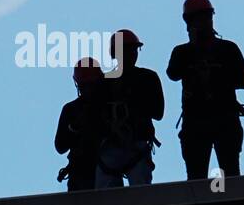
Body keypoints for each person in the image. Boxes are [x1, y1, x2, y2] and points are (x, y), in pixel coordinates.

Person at [166, 0, 244, 180]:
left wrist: (217, 75)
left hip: (224, 119)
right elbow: (173, 73)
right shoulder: (182, 52)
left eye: (207, 17)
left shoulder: (228, 49)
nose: (205, 22)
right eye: (200, 18)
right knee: (196, 179)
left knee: (230, 176)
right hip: (196, 122)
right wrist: (195, 48)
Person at [95, 29, 164, 188]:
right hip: (111, 145)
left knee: (139, 196)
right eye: (127, 50)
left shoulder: (147, 78)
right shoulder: (105, 82)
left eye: (133, 49)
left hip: (136, 144)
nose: (132, 54)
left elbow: (158, 112)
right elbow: (96, 115)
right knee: (108, 198)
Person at [55, 57, 105, 192]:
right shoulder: (71, 110)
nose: (89, 90)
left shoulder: (106, 107)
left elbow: (60, 146)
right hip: (84, 173)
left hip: (104, 170)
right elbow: (60, 146)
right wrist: (74, 129)